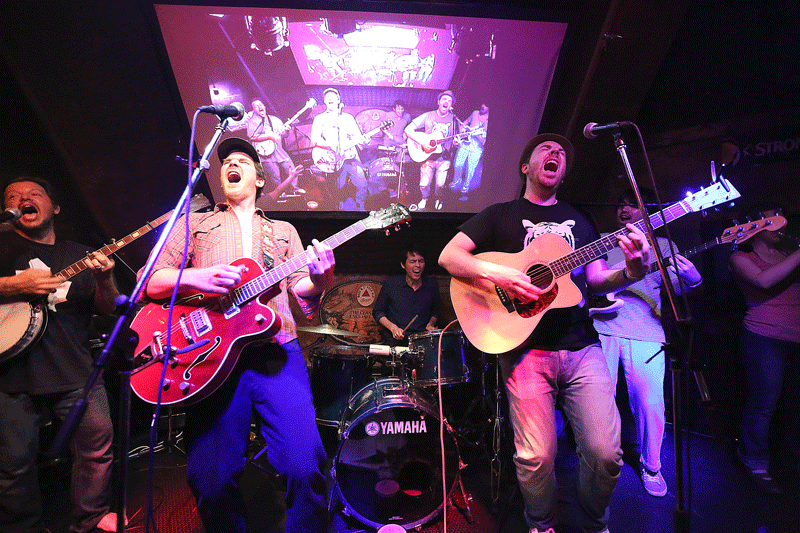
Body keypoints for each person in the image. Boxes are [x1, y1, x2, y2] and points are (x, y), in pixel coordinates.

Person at [438, 133, 651, 533]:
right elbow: (449, 256)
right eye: (545, 149)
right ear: (525, 167)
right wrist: (500, 274)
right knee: (535, 457)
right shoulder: (499, 214)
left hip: (582, 346)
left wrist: (632, 272)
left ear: (563, 173)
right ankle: (541, 523)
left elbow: (597, 279)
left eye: (561, 153)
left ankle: (594, 523)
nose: (555, 152)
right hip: (524, 350)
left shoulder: (581, 219)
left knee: (606, 454)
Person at [140, 137, 335, 532]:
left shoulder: (282, 231)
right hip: (211, 359)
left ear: (259, 179)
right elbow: (150, 280)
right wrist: (197, 277)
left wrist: (321, 279)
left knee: (305, 465)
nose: (232, 164)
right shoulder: (195, 224)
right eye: (226, 160)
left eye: (242, 161)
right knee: (211, 479)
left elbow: (301, 288)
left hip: (276, 353)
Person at [0, 176, 121, 533]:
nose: (23, 199)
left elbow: (108, 308)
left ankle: (91, 518)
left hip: (75, 368)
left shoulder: (80, 253)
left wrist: (105, 279)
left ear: (53, 207)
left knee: (96, 449)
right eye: (13, 196)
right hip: (10, 373)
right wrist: (12, 285)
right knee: (13, 465)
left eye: (34, 194)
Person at [592, 187, 702, 497]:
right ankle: (597, 461)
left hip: (646, 331)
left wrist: (693, 279)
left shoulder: (663, 245)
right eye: (620, 205)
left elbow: (677, 290)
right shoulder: (602, 241)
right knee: (596, 402)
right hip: (601, 328)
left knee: (651, 403)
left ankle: (651, 465)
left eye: (632, 205)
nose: (624, 210)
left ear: (647, 212)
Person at [729, 207, 800, 494]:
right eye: (773, 220)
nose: (781, 226)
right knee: (764, 404)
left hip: (796, 337)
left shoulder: (787, 254)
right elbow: (763, 281)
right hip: (764, 337)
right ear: (756, 226)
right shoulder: (741, 258)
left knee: (795, 404)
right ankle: (754, 460)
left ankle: (792, 462)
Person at [228, 98, 303, 194]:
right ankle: (279, 194)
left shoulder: (275, 120)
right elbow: (252, 137)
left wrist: (287, 130)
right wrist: (269, 136)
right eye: (256, 106)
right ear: (253, 110)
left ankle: (295, 189)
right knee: (275, 176)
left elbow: (284, 135)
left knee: (291, 168)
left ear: (264, 106)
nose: (259, 107)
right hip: (265, 154)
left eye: (260, 105)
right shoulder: (252, 122)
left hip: (279, 150)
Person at [310, 88, 368, 210]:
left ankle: (361, 209)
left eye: (333, 96)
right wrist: (330, 148)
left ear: (338, 100)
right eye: (327, 96)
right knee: (337, 188)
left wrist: (364, 140)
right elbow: (314, 139)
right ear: (324, 101)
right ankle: (340, 210)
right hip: (332, 159)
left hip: (350, 156)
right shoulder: (319, 118)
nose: (330, 98)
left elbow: (357, 137)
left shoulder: (348, 117)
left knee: (362, 184)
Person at [405, 90, 461, 211]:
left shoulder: (454, 120)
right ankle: (424, 198)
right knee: (424, 183)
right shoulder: (428, 116)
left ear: (451, 105)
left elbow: (457, 138)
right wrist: (422, 142)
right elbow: (408, 130)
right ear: (438, 102)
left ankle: (438, 199)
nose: (446, 102)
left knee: (440, 184)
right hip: (427, 156)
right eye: (444, 99)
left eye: (449, 101)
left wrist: (456, 143)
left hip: (444, 157)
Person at [372, 244, 440, 343]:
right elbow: (378, 312)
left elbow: (436, 311)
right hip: (395, 340)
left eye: (421, 261)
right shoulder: (391, 284)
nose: (418, 265)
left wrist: (431, 324)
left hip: (422, 340)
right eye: (413, 261)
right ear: (403, 265)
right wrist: (393, 328)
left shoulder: (431, 285)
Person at [450, 103, 488, 196]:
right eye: (482, 104)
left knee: (470, 169)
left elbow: (484, 142)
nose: (482, 106)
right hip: (465, 144)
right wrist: (462, 129)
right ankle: (457, 181)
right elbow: (466, 122)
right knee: (457, 164)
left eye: (486, 106)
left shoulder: (489, 120)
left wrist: (475, 134)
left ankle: (466, 186)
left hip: (477, 150)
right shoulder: (475, 113)